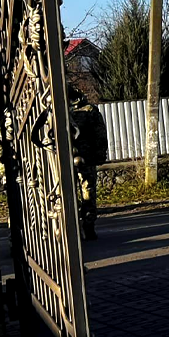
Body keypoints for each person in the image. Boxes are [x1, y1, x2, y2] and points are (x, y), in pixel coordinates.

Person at [68, 87, 108, 241]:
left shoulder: (89, 110)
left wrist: (99, 154)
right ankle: (74, 226)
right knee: (70, 193)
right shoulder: (59, 109)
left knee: (88, 192)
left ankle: (88, 225)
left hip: (86, 157)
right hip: (66, 160)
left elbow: (99, 134)